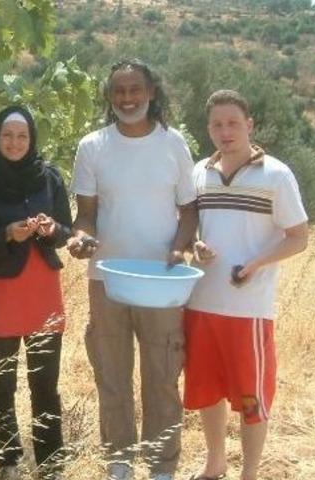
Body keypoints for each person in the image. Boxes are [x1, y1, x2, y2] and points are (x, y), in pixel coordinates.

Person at [67, 59, 198, 480]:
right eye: (119, 92)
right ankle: (119, 464)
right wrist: (80, 238)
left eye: (135, 90)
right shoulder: (92, 146)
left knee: (162, 377)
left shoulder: (174, 144)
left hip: (161, 283)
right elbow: (85, 214)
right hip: (108, 281)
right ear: (110, 97)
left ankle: (162, 466)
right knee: (112, 375)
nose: (127, 99)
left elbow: (190, 211)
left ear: (151, 93)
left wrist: (179, 249)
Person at [183, 89, 308, 480]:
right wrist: (194, 245)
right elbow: (189, 229)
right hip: (200, 300)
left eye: (233, 122)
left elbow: (299, 236)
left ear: (249, 125)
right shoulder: (198, 172)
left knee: (252, 398)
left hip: (248, 308)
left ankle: (249, 473)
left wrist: (256, 264)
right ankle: (214, 463)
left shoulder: (276, 173)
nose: (226, 131)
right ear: (208, 129)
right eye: (217, 124)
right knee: (207, 391)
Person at [0, 106, 72, 480]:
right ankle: (7, 462)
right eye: (7, 135)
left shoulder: (50, 178)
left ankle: (51, 464)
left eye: (22, 136)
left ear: (32, 139)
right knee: (2, 382)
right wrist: (8, 233)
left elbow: (67, 232)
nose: (14, 142)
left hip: (42, 290)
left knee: (45, 383)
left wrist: (50, 228)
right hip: (1, 292)